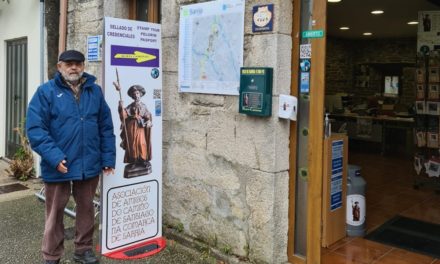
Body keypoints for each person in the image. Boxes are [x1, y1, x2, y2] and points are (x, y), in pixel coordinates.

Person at [26, 50, 116, 264]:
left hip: (89, 163)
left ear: (83, 66)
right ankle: (51, 255)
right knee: (55, 213)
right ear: (60, 67)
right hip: (59, 165)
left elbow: (106, 127)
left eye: (78, 64)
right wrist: (55, 157)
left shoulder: (95, 92)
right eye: (69, 64)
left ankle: (83, 249)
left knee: (86, 209)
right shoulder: (45, 92)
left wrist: (107, 159)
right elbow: (36, 129)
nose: (73, 67)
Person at [114, 84, 153, 177]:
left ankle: (143, 160)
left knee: (142, 143)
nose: (136, 95)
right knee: (132, 145)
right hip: (131, 127)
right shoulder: (130, 106)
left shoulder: (143, 106)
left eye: (137, 93)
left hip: (140, 128)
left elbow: (148, 116)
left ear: (140, 94)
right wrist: (121, 106)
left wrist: (148, 121)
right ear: (132, 96)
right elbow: (124, 115)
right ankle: (134, 162)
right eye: (134, 94)